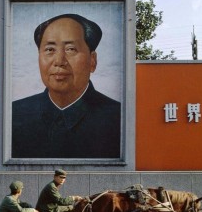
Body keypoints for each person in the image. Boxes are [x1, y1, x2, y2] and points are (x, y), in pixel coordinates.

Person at [12, 13, 121, 159]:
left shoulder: (117, 117)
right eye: (50, 50)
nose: (59, 61)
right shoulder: (15, 114)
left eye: (71, 49)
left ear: (92, 61)